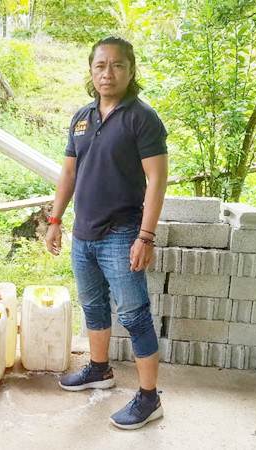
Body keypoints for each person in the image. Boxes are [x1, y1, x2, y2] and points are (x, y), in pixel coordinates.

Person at [45, 36, 168, 430]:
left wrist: (145, 236)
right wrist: (55, 219)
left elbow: (157, 180)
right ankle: (99, 369)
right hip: (84, 234)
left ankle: (150, 397)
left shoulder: (142, 118)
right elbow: (68, 172)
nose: (107, 73)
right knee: (93, 307)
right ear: (91, 70)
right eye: (100, 65)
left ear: (130, 71)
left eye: (116, 65)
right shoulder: (82, 116)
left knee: (135, 316)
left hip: (122, 233)